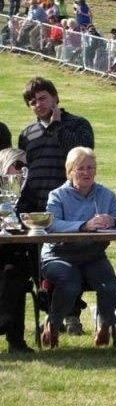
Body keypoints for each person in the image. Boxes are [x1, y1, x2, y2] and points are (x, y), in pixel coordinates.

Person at [39, 147, 116, 349]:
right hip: (59, 255)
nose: (86, 173)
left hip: (92, 255)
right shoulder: (57, 195)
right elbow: (51, 225)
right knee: (70, 284)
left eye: (90, 168)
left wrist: (112, 221)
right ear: (70, 172)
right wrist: (83, 226)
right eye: (80, 169)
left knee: (110, 287)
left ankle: (104, 325)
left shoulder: (106, 194)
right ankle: (52, 324)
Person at [17, 77, 94, 215]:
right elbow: (24, 172)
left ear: (55, 97)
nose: (39, 104)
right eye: (33, 102)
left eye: (42, 98)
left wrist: (57, 126)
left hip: (71, 204)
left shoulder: (78, 124)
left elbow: (83, 154)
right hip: (35, 207)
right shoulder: (26, 135)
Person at [0, 148, 35, 353]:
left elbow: (25, 222)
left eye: (25, 166)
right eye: (18, 165)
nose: (23, 171)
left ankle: (15, 338)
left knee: (15, 271)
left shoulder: (26, 192)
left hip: (15, 252)